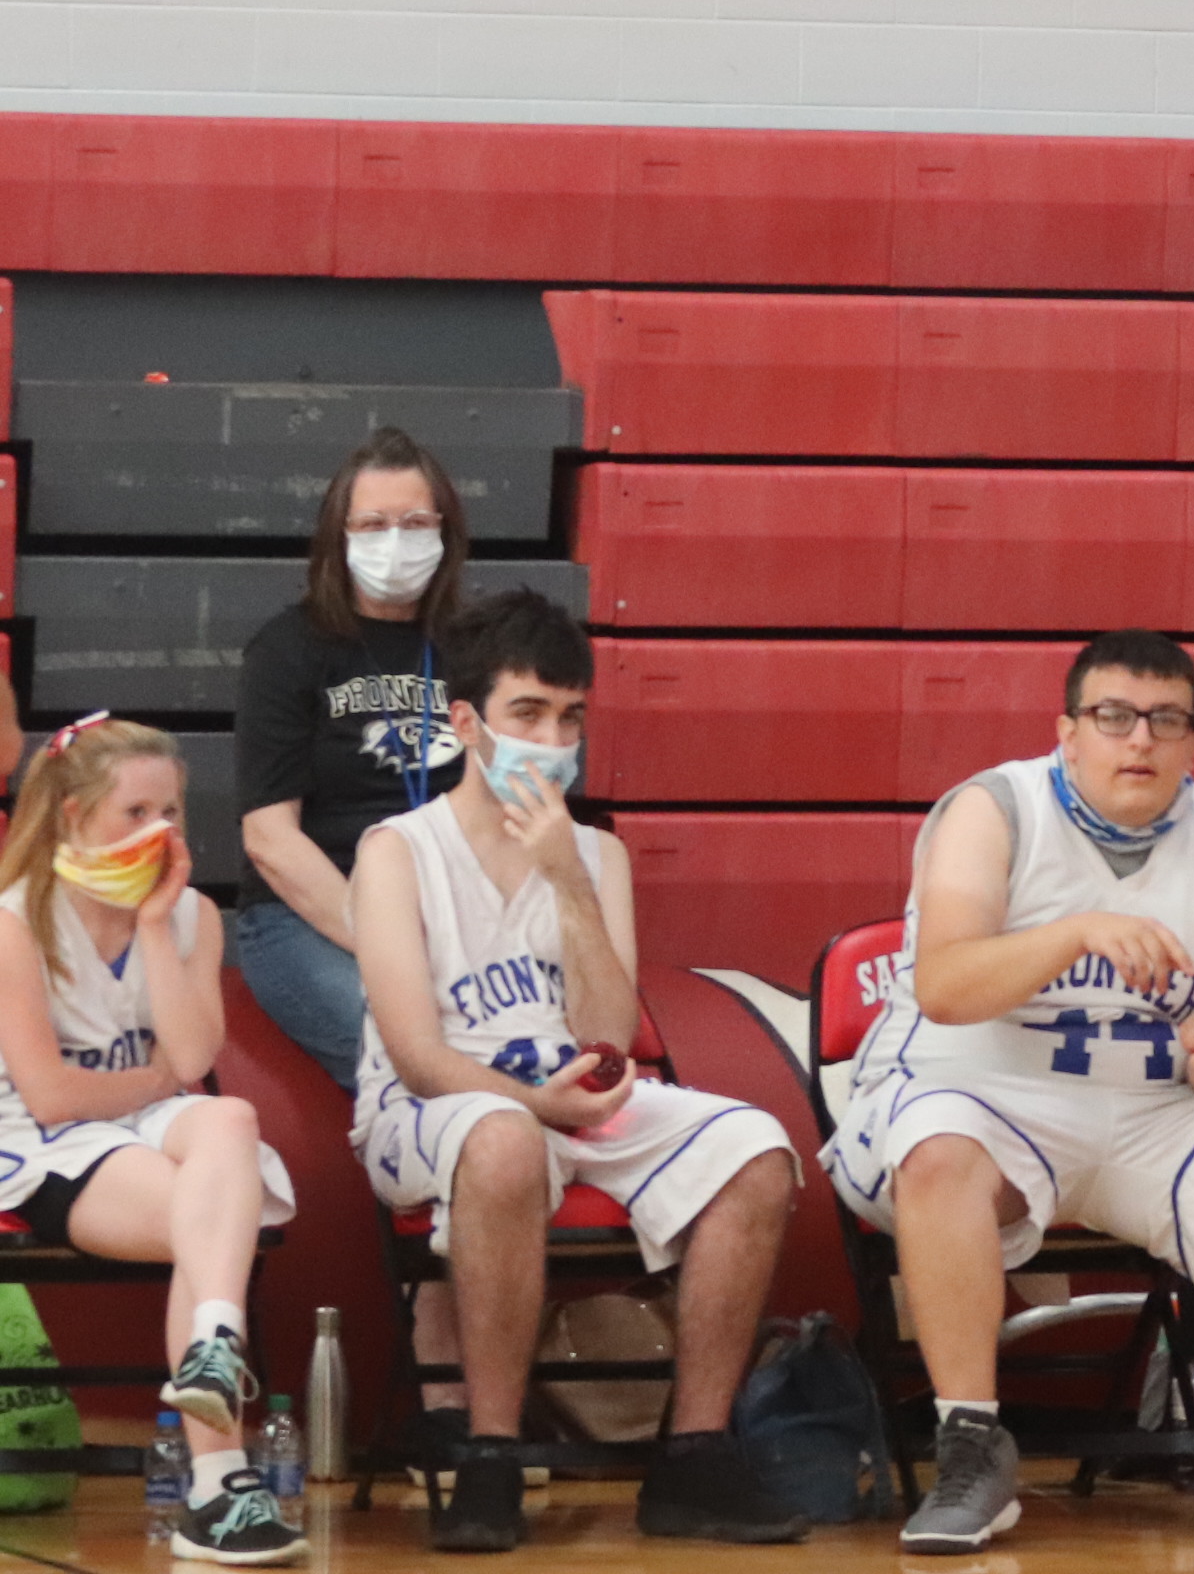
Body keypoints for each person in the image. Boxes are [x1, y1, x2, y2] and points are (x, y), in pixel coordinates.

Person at [824, 632, 1194, 1547]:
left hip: (1154, 1114)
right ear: (1068, 730)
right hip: (984, 1091)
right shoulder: (993, 809)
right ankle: (970, 1447)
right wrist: (1079, 932)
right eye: (1114, 716)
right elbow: (946, 988)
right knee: (942, 1151)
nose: (1139, 740)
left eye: (1165, 720)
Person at [350, 592, 806, 1554]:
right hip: (430, 1111)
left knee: (757, 1150)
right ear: (466, 722)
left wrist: (566, 878)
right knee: (504, 1140)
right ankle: (491, 1454)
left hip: (573, 1096)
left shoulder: (595, 853)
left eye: (570, 717)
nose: (552, 739)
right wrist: (531, 1104)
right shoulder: (396, 851)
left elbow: (607, 1037)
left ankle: (695, 1451)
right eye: (528, 714)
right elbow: (417, 1056)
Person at [0, 720, 298, 1563]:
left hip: (148, 1127)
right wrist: (157, 1081)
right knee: (209, 1215)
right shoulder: (14, 922)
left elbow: (199, 1060)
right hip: (39, 1142)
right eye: (134, 810)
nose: (158, 831)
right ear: (69, 815)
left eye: (169, 809)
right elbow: (54, 1094)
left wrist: (159, 925)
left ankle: (211, 1347)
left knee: (231, 1119)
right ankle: (220, 1487)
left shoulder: (192, 913)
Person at [235, 428, 470, 1081]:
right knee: (410, 1051)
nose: (395, 541)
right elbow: (270, 841)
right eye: (372, 524)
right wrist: (387, 943)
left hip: (444, 911)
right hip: (309, 917)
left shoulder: (473, 648)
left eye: (415, 522)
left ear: (445, 533)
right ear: (340, 537)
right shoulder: (288, 649)